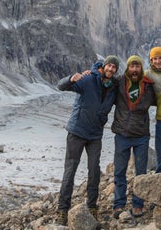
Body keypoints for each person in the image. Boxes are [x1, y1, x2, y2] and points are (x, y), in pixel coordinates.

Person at [56, 55, 120, 225]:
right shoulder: (88, 79)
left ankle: (92, 206)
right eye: (109, 66)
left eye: (114, 67)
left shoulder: (113, 87)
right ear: (104, 66)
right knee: (70, 170)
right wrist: (70, 78)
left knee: (94, 170)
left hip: (95, 134)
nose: (111, 69)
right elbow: (61, 86)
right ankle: (62, 210)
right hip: (77, 131)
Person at [111, 55, 156, 219]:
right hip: (122, 134)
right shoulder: (119, 82)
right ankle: (119, 205)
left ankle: (138, 205)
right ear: (128, 68)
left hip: (141, 135)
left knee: (141, 172)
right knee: (120, 171)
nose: (134, 69)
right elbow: (103, 80)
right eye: (132, 66)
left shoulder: (149, 85)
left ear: (141, 68)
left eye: (137, 66)